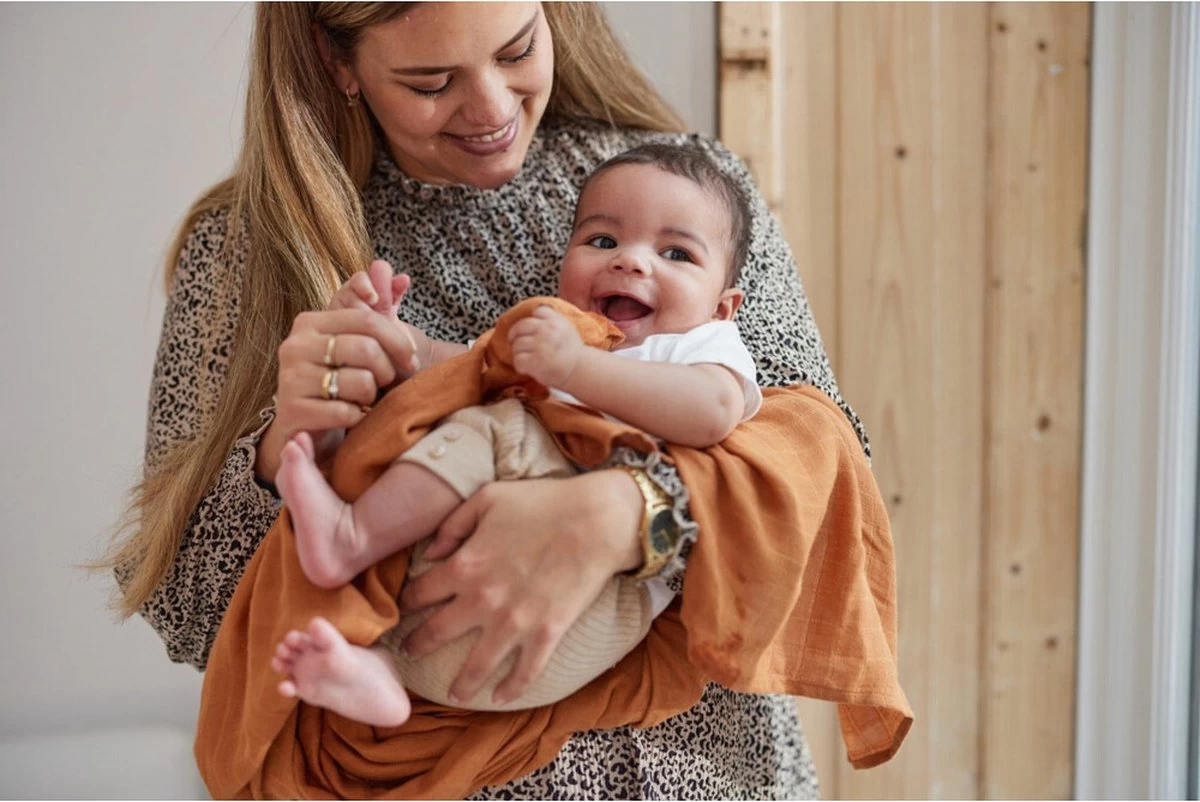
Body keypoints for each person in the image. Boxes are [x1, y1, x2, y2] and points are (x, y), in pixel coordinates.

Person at [99, 3, 872, 797]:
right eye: (431, 82)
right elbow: (188, 615)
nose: (494, 109)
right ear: (337, 60)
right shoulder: (244, 253)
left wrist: (628, 516)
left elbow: (830, 481)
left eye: (516, 50)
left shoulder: (684, 193)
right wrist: (286, 448)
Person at [270, 143, 761, 725]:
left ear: (723, 307)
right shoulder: (562, 331)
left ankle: (351, 538)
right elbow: (468, 367)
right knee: (448, 413)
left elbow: (711, 412)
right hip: (442, 617)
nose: (630, 261)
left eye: (675, 253)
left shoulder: (700, 346)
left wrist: (574, 368)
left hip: (590, 609)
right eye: (602, 241)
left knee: (500, 424)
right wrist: (399, 345)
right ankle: (376, 666)